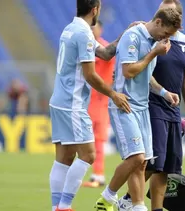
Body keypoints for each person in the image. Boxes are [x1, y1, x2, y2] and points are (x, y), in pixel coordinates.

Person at [48, 0, 136, 210]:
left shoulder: (70, 29)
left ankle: (56, 208)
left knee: (64, 157)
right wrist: (113, 94)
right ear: (95, 9)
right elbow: (90, 75)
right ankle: (64, 206)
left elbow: (105, 54)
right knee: (88, 155)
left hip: (59, 100)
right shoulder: (84, 34)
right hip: (73, 103)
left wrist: (125, 34)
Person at [95, 7, 182, 211]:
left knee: (143, 163)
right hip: (124, 104)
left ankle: (137, 206)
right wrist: (153, 54)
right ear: (159, 22)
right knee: (136, 157)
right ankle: (107, 197)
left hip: (142, 107)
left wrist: (164, 93)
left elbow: (146, 74)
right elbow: (129, 71)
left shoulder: (153, 41)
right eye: (167, 33)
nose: (166, 38)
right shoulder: (133, 36)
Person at [117, 1, 185, 211]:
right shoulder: (150, 36)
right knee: (151, 161)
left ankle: (155, 208)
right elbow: (137, 68)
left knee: (166, 166)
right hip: (150, 105)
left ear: (178, 19)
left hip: (172, 107)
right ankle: (129, 200)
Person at [83, 20, 115, 188]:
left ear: (100, 29)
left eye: (94, 26)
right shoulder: (87, 47)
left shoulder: (104, 49)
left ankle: (98, 175)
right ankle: (95, 174)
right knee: (88, 138)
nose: (92, 29)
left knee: (98, 138)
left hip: (101, 99)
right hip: (89, 99)